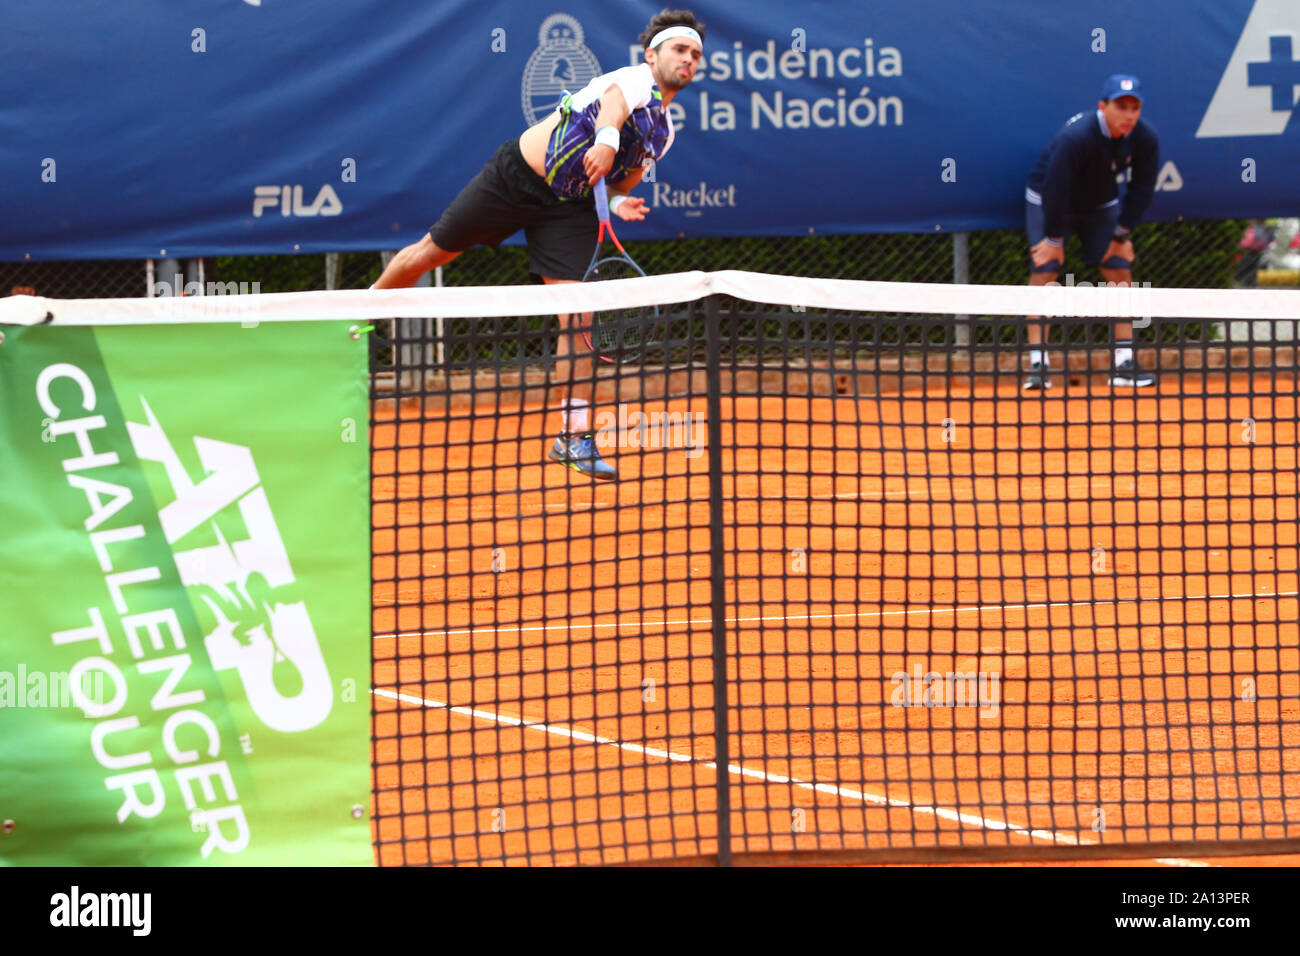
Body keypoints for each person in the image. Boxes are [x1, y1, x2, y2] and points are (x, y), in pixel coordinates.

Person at [372, 10, 706, 480]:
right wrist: (607, 142)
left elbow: (617, 186)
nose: (688, 59)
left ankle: (573, 437)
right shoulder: (631, 81)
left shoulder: (663, 134)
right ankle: (351, 318)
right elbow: (611, 108)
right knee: (427, 256)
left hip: (568, 209)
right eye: (679, 49)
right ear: (652, 54)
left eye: (695, 54)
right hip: (515, 179)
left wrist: (620, 201)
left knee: (580, 316)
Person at [1023, 74, 1160, 390]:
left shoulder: (1144, 138)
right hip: (1050, 197)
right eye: (1121, 106)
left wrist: (1121, 236)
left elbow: (1141, 189)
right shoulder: (1077, 137)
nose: (1129, 115)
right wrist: (1055, 239)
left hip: (1099, 203)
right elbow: (1055, 189)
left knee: (1119, 269)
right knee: (1046, 269)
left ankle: (1124, 363)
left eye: (1135, 108)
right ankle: (1038, 365)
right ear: (1103, 106)